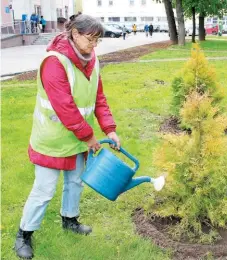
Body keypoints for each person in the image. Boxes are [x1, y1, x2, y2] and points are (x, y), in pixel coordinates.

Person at [14, 14, 121, 259]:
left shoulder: (92, 61)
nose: (94, 45)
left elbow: (98, 99)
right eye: (91, 39)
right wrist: (90, 137)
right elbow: (65, 108)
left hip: (77, 141)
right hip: (51, 141)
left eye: (98, 40)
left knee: (75, 183)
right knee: (44, 190)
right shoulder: (54, 62)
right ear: (74, 34)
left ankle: (69, 220)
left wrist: (110, 129)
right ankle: (24, 234)